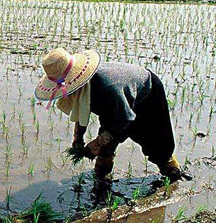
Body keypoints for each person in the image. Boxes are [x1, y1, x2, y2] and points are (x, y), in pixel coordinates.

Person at [35, 48, 191, 183]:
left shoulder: (107, 87)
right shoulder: (83, 89)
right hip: (117, 103)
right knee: (106, 148)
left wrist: (96, 143)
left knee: (157, 144)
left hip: (147, 95)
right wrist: (78, 139)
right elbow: (82, 111)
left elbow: (123, 119)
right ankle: (101, 181)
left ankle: (174, 177)